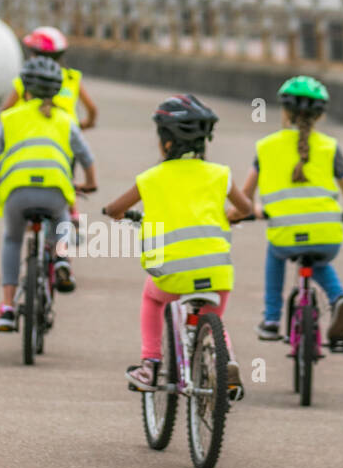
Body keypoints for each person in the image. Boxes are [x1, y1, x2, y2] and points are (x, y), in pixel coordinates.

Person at [103, 94, 253, 392]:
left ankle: (150, 364)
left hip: (172, 275)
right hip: (218, 274)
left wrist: (118, 215)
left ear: (166, 142)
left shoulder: (151, 178)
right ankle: (225, 361)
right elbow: (246, 208)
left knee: (151, 297)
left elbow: (113, 208)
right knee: (211, 317)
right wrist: (231, 216)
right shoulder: (220, 174)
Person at [240, 76, 343, 343]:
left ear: (284, 111)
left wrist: (253, 212)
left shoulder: (266, 147)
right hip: (328, 234)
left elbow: (244, 199)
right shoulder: (330, 147)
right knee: (318, 257)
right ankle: (338, 297)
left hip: (284, 234)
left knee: (276, 252)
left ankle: (272, 318)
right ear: (319, 116)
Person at [0, 56, 97, 330]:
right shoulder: (65, 119)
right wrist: (90, 183)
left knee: (13, 240)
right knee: (61, 218)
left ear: (24, 90)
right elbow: (85, 156)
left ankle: (7, 307)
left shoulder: (10, 117)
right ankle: (61, 258)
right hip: (55, 188)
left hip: (17, 190)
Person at [0, 27, 98, 129]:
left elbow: (6, 110)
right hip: (65, 133)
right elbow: (92, 110)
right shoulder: (72, 78)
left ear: (35, 55)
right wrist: (82, 125)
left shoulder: (28, 79)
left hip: (29, 132)